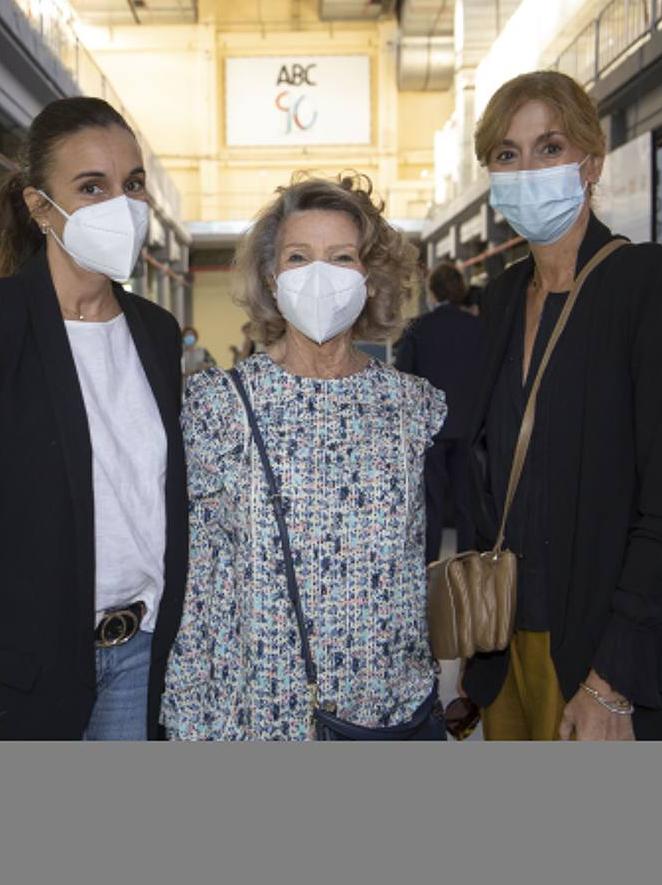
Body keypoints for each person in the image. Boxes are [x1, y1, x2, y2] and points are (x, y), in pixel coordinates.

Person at [161, 173, 448, 740]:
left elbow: (414, 567)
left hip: (387, 712)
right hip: (257, 716)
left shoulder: (412, 406)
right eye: (299, 256)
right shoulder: (220, 405)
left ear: (369, 277)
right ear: (272, 277)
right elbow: (200, 586)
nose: (320, 275)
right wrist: (187, 720)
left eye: (341, 256)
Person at [462, 70, 662, 741]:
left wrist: (614, 679)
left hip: (597, 653)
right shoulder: (498, 299)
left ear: (592, 162)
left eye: (549, 148)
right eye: (508, 155)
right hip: (505, 643)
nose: (527, 169)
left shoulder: (642, 286)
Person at [0, 97, 188, 740]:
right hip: (28, 667)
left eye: (132, 184)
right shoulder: (7, 324)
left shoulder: (156, 332)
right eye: (91, 187)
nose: (122, 205)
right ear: (37, 206)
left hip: (141, 653)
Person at [396, 261, 485, 562]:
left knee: (431, 504)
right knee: (466, 504)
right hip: (469, 428)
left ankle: (430, 569)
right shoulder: (479, 327)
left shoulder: (418, 329)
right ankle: (467, 573)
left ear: (432, 292)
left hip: (430, 429)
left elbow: (403, 377)